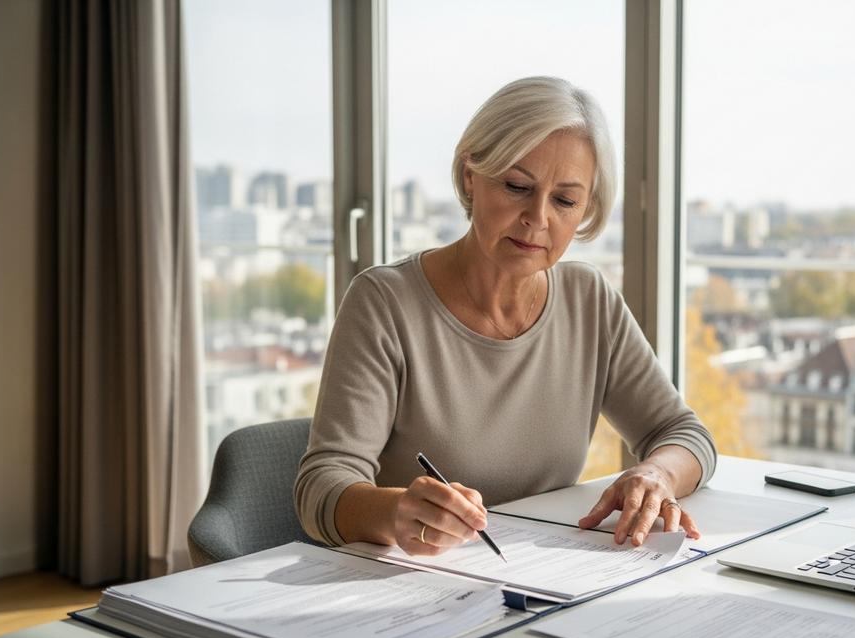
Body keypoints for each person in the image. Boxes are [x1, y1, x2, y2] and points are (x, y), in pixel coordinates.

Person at [294, 76, 717, 557]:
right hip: (415, 578)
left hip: (547, 574)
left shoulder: (588, 300)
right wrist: (396, 514)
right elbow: (321, 487)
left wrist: (657, 474)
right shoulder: (384, 302)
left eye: (565, 200)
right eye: (517, 186)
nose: (538, 218)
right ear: (470, 175)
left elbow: (684, 434)